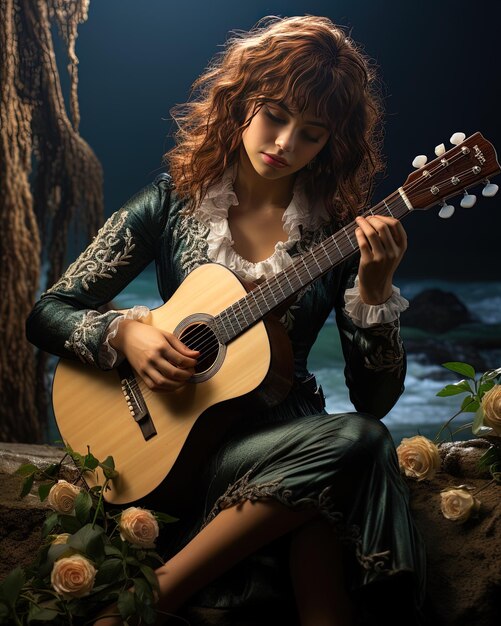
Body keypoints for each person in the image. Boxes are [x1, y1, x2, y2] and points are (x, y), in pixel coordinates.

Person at [26, 15, 427, 626]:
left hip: (287, 443)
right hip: (176, 443)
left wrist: (374, 293)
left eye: (312, 134)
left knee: (355, 444)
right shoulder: (171, 204)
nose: (286, 143)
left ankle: (156, 595)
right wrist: (125, 333)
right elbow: (48, 311)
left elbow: (374, 401)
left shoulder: (336, 237)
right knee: (331, 508)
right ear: (240, 103)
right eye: (275, 116)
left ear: (333, 144)